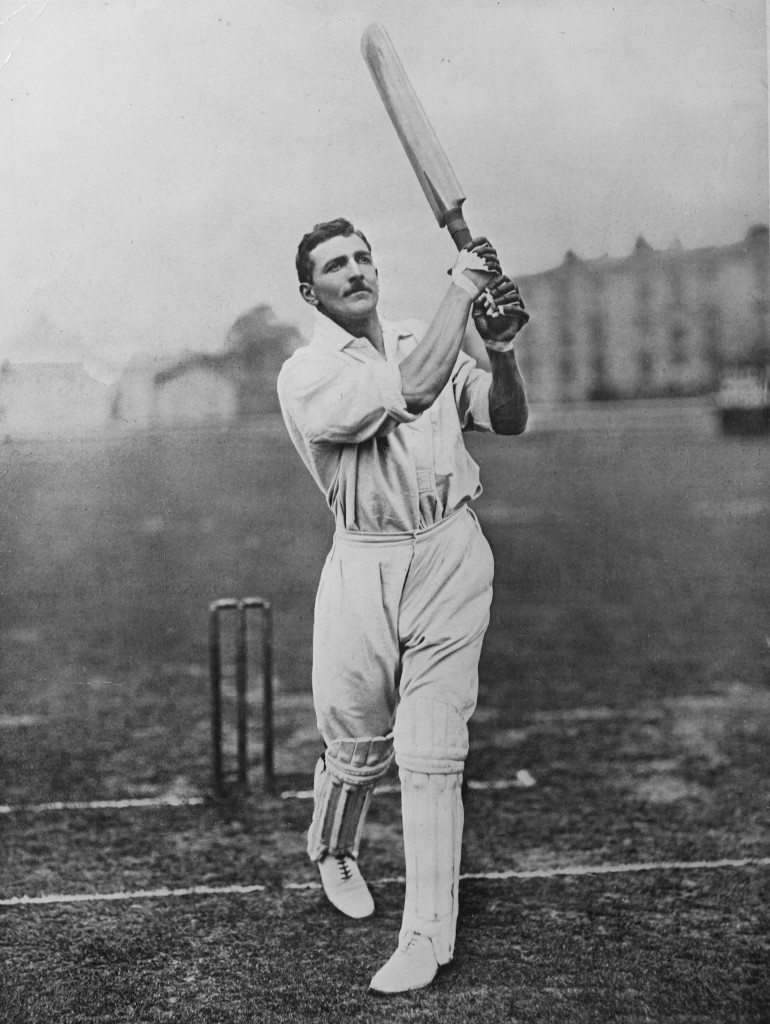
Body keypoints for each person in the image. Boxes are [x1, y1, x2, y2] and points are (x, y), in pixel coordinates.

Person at [276, 217, 529, 994]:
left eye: (362, 257)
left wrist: (502, 349)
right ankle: (334, 850)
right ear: (310, 291)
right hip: (365, 560)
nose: (355, 271)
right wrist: (465, 287)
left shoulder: (425, 335)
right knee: (356, 746)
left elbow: (507, 417)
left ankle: (425, 934)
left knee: (431, 748)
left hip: (450, 551)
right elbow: (412, 390)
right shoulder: (307, 373)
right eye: (335, 265)